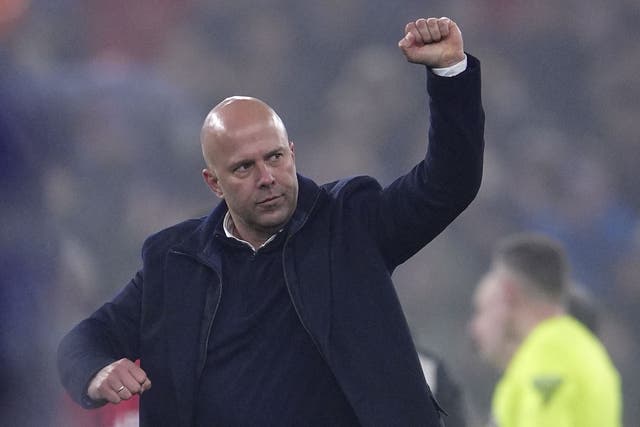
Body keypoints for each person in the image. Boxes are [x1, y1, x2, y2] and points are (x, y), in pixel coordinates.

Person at [58, 16, 484, 426]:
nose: (267, 178)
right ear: (214, 182)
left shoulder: (351, 223)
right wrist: (97, 372)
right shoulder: (174, 262)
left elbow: (449, 183)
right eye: (244, 168)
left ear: (292, 153)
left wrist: (450, 74)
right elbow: (85, 339)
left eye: (275, 158)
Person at [469, 233, 622, 427]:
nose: (474, 328)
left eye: (483, 309)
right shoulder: (565, 347)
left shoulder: (551, 354)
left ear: (509, 293)